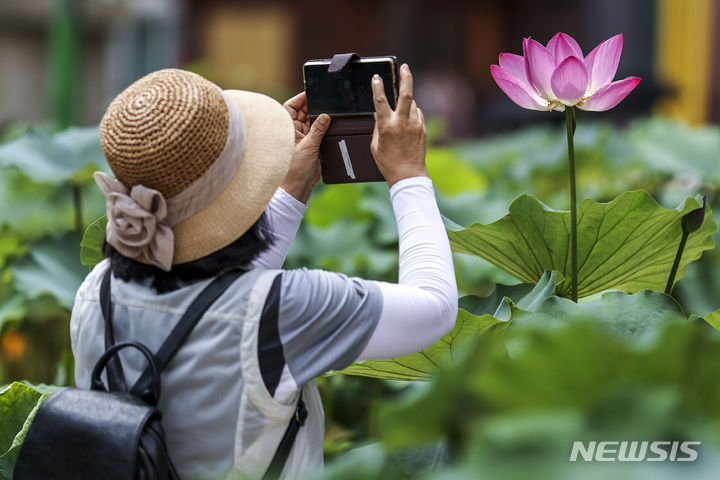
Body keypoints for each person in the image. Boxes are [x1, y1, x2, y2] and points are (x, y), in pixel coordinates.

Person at [70, 64, 457, 479]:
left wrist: (290, 194)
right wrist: (408, 174)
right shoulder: (288, 308)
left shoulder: (96, 293)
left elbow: (216, 309)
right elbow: (434, 308)